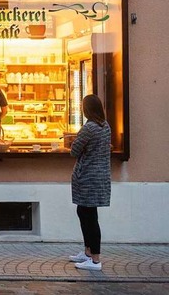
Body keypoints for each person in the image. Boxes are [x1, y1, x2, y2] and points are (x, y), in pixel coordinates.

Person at [68, 94, 112, 271]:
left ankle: (95, 260)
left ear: (87, 109)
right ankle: (87, 252)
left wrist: (74, 141)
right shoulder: (105, 126)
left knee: (90, 218)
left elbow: (74, 151)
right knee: (85, 213)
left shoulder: (89, 128)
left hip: (87, 177)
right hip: (99, 177)